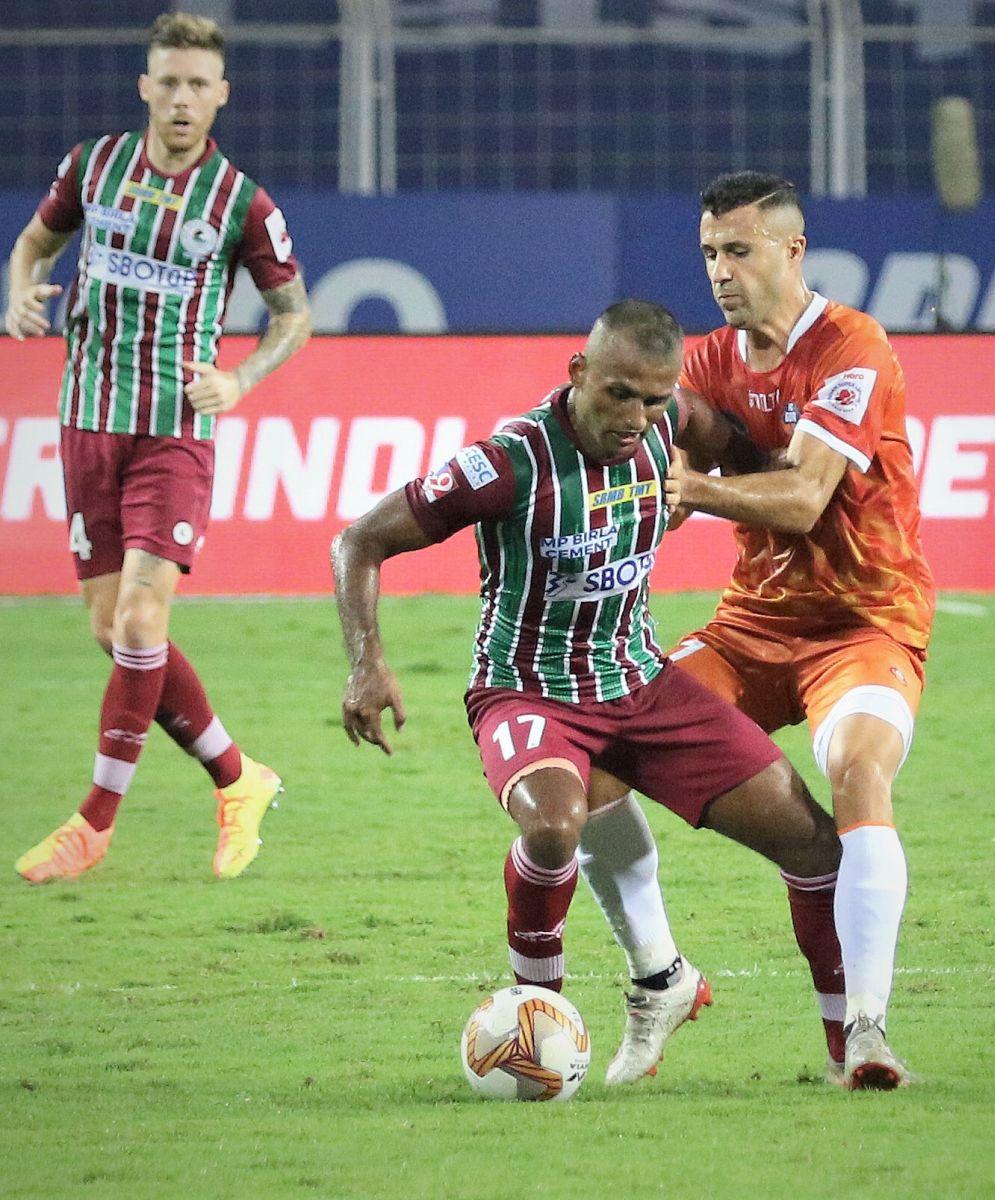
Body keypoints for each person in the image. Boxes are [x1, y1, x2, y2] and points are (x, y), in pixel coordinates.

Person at [332, 299, 845, 1086]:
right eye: (618, 394)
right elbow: (359, 540)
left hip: (641, 684)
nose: (637, 415)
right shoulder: (507, 464)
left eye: (653, 397)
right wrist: (367, 663)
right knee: (552, 826)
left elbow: (744, 453)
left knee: (812, 841)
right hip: (526, 692)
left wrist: (748, 489)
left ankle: (855, 1050)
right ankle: (538, 1025)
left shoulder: (671, 424)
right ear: (578, 375)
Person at [579, 172, 936, 1090]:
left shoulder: (853, 346)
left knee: (855, 767)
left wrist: (690, 488)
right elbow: (662, 498)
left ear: (792, 249)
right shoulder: (702, 364)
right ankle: (661, 978)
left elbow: (806, 493)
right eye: (708, 253)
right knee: (595, 766)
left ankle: (864, 1030)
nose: (721, 272)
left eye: (738, 251)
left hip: (864, 622)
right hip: (751, 626)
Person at [6, 12, 312, 883]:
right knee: (114, 631)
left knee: (142, 620)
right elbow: (33, 245)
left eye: (197, 85)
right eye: (167, 82)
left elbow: (296, 317)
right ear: (146, 87)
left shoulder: (242, 202)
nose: (181, 99)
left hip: (175, 432)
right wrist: (21, 293)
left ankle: (93, 824)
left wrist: (241, 382)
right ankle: (238, 776)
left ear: (221, 97)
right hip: (85, 422)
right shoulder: (91, 167)